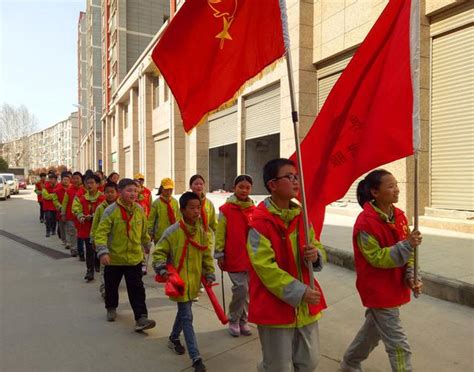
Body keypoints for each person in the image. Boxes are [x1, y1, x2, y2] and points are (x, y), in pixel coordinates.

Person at [247, 158, 327, 372]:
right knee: (279, 367)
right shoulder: (259, 223)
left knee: (309, 361)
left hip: (305, 304)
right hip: (275, 306)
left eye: (296, 177)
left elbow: (317, 244)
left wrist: (316, 255)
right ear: (272, 185)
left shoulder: (302, 216)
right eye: (289, 177)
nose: (296, 182)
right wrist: (300, 291)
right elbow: (265, 268)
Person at [340, 169, 423, 372]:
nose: (397, 190)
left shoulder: (400, 217)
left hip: (394, 285)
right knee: (398, 344)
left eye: (397, 185)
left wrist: (412, 275)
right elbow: (376, 258)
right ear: (375, 193)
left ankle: (350, 362)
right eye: (391, 186)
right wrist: (407, 246)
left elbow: (410, 252)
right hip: (377, 289)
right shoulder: (365, 224)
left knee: (372, 332)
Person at [153, 192, 215, 372]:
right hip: (178, 283)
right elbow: (159, 252)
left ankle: (173, 338)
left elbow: (205, 255)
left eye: (198, 208)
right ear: (182, 210)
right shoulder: (172, 232)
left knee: (184, 312)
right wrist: (162, 269)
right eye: (192, 208)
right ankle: (196, 358)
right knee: (187, 316)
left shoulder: (202, 232)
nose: (196, 212)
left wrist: (209, 273)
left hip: (194, 283)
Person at [95, 178, 156, 332]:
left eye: (136, 191)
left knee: (137, 289)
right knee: (111, 287)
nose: (133, 193)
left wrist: (147, 244)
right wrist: (103, 251)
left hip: (134, 258)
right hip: (114, 259)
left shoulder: (139, 210)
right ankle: (111, 307)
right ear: (120, 192)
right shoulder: (111, 211)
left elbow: (143, 231)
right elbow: (101, 233)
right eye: (129, 190)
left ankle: (141, 317)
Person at [214, 175, 256, 337]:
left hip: (252, 258)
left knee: (248, 291)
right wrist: (219, 254)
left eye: (247, 187)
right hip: (233, 256)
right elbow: (220, 233)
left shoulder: (254, 209)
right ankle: (233, 319)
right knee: (241, 289)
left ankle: (243, 320)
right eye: (241, 187)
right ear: (234, 187)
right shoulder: (226, 210)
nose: (244, 190)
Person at [72, 174, 105, 282]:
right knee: (89, 250)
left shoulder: (103, 197)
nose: (89, 185)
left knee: (99, 249)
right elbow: (76, 208)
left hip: (101, 229)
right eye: (87, 183)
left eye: (92, 183)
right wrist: (80, 215)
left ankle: (97, 263)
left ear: (98, 184)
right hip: (87, 228)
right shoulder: (81, 198)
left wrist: (95, 216)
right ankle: (89, 270)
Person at [91, 181, 118, 299]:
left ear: (117, 193)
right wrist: (93, 239)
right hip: (104, 244)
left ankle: (112, 289)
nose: (110, 194)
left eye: (112, 192)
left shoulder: (120, 207)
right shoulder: (100, 208)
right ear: (104, 193)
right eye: (107, 192)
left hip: (117, 244)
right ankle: (104, 289)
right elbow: (95, 225)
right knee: (104, 268)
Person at [148, 178, 181, 243]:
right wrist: (150, 233)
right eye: (166, 189)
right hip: (160, 236)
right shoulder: (156, 203)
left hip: (173, 235)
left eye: (170, 189)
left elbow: (178, 217)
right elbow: (151, 220)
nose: (169, 192)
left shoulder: (175, 202)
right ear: (162, 189)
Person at [61, 171, 85, 258]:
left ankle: (81, 249)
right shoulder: (69, 190)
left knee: (81, 233)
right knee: (72, 233)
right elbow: (64, 203)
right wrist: (63, 213)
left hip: (82, 216)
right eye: (74, 178)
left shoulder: (85, 190)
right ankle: (74, 249)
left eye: (77, 178)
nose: (75, 180)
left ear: (81, 179)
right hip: (70, 216)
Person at [54, 172, 71, 247]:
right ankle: (64, 240)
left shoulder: (71, 189)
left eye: (67, 180)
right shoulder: (57, 190)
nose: (66, 181)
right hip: (60, 212)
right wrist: (60, 207)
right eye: (64, 179)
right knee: (62, 227)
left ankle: (68, 242)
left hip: (70, 212)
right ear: (61, 180)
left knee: (69, 227)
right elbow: (55, 200)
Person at [42, 172, 59, 238]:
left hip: (55, 206)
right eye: (50, 179)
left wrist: (51, 195)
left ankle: (53, 230)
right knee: (48, 218)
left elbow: (59, 195)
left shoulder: (59, 186)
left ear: (55, 179)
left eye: (53, 179)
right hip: (47, 206)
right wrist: (54, 195)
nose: (51, 180)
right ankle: (48, 231)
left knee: (54, 219)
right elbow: (45, 196)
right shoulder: (45, 186)